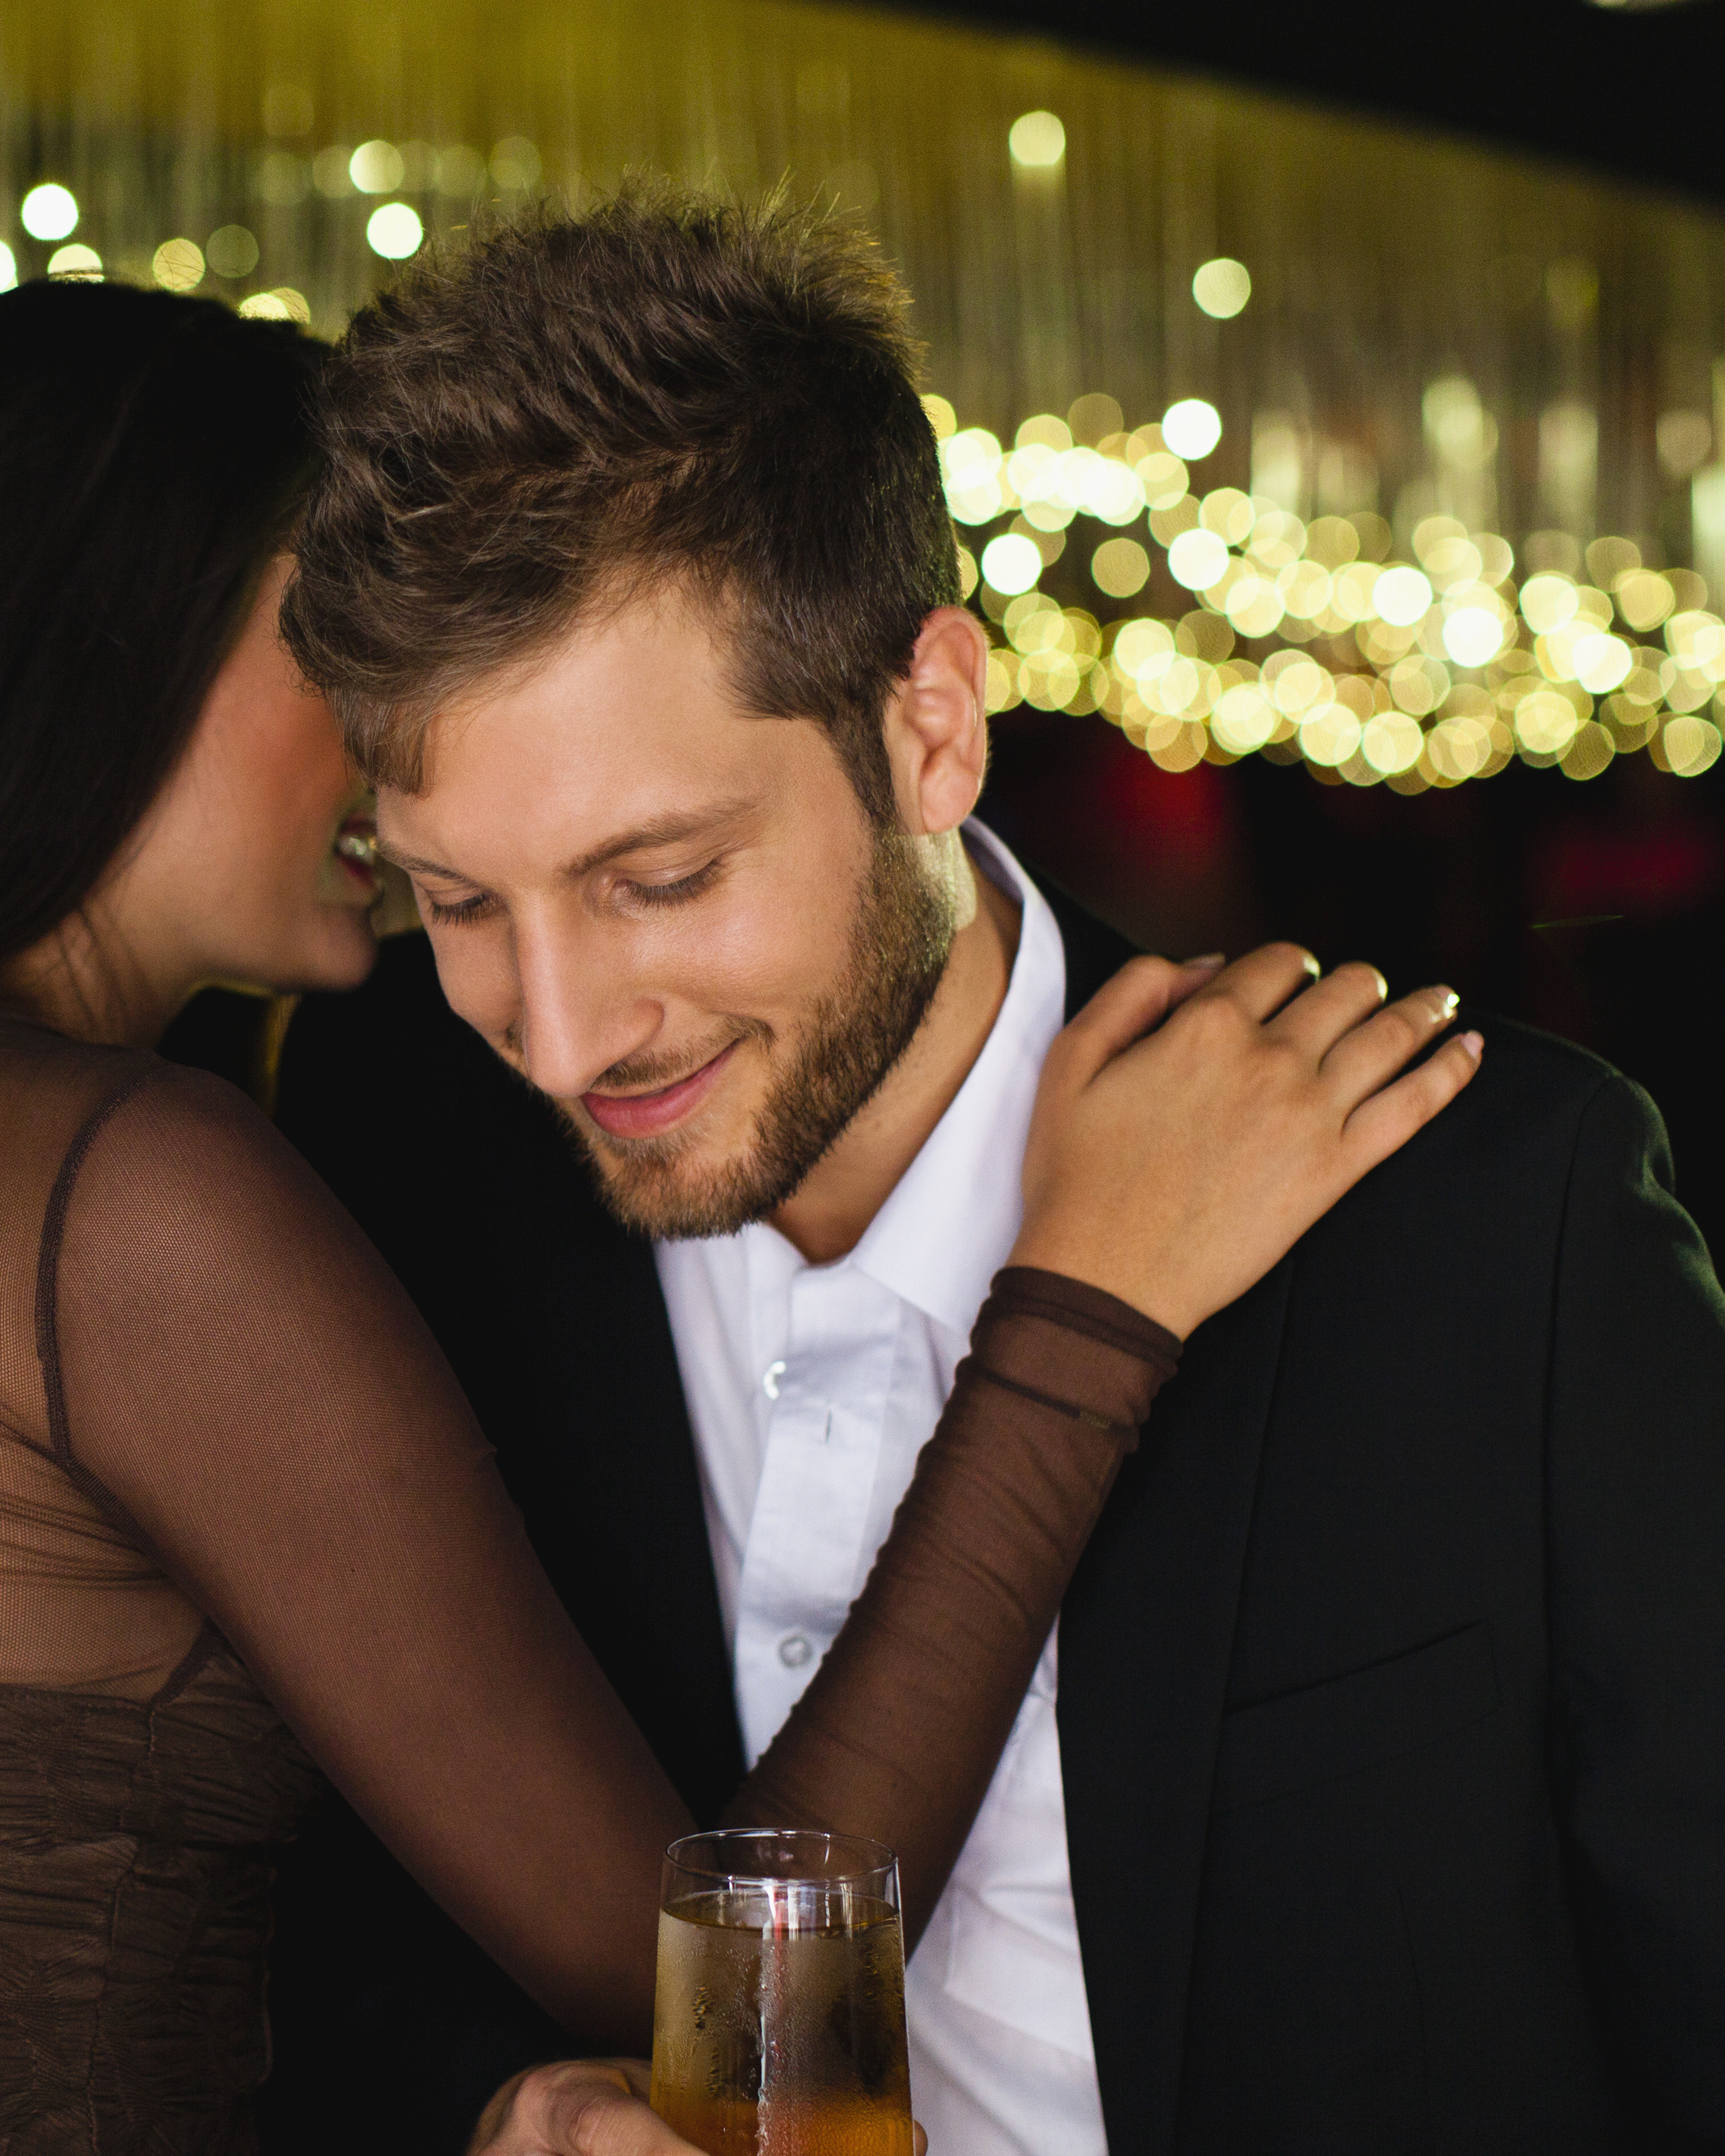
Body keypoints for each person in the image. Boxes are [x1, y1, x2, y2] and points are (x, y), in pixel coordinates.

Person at [0, 279, 1474, 2156]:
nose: (402, 736)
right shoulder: (108, 1193)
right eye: (340, 638)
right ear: (116, 653)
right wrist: (1084, 1304)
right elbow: (724, 2006)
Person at [262, 192, 1725, 2155]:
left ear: (928, 730)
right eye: (456, 902)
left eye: (659, 878)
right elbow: (305, 1912)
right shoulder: (399, 1168)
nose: (558, 1030)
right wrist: (493, 2099)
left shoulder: (1485, 1223)